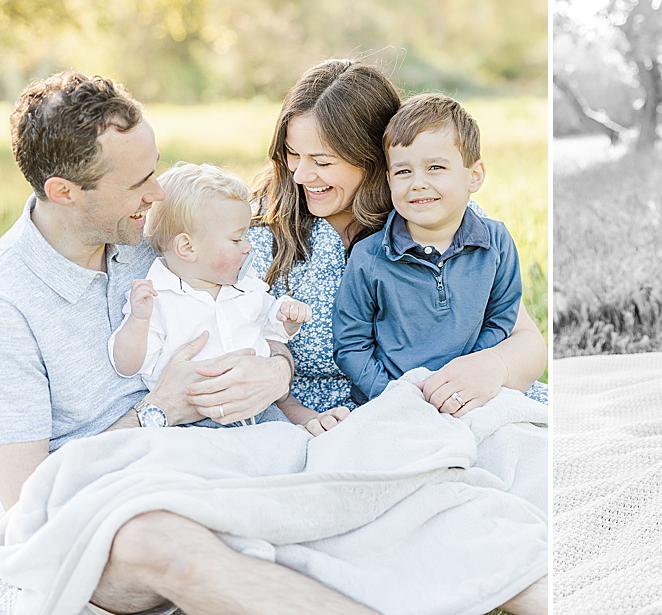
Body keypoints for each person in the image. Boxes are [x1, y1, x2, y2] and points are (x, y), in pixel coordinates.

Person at [0, 72, 383, 615]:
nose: (157, 195)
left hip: (224, 460)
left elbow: (250, 310)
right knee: (162, 544)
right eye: (138, 184)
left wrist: (277, 367)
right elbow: (22, 500)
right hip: (111, 504)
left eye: (154, 171)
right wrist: (161, 411)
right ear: (64, 191)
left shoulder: (151, 233)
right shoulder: (9, 301)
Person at [246, 58, 547, 612]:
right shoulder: (258, 233)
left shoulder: (431, 217)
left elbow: (525, 340)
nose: (302, 175)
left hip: (447, 404)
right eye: (292, 156)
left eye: (323, 160)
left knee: (526, 478)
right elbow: (240, 348)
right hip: (326, 427)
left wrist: (492, 368)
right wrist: (303, 417)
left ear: (372, 161)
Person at [332, 93, 522, 405]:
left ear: (474, 176)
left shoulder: (496, 242)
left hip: (469, 392)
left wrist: (465, 373)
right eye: (404, 171)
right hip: (389, 401)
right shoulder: (369, 257)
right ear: (389, 179)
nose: (418, 183)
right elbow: (350, 345)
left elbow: (502, 317)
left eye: (434, 167)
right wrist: (393, 396)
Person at [108, 162, 312, 426]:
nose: (248, 247)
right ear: (187, 247)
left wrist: (286, 318)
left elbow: (271, 332)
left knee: (290, 448)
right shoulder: (157, 298)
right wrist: (138, 320)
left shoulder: (246, 287)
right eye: (237, 239)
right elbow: (127, 365)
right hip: (194, 420)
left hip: (259, 409)